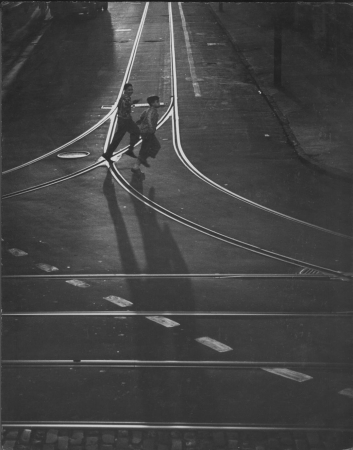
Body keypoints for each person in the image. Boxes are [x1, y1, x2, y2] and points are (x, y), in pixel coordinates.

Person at [102, 83, 141, 161]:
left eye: (131, 89)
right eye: (129, 90)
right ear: (125, 90)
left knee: (118, 137)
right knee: (135, 132)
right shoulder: (125, 98)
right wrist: (132, 103)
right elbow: (126, 106)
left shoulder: (126, 97)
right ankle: (129, 149)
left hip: (124, 119)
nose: (131, 91)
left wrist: (133, 102)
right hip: (125, 120)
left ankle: (108, 154)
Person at [131, 95, 161, 177]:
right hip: (148, 132)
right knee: (155, 146)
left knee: (146, 148)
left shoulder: (148, 110)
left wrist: (140, 122)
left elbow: (142, 116)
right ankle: (140, 162)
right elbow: (148, 119)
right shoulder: (152, 111)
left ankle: (138, 164)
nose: (159, 103)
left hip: (145, 132)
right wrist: (151, 128)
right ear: (152, 103)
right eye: (157, 102)